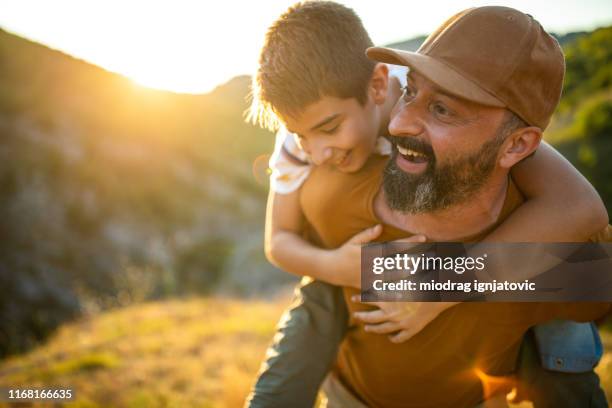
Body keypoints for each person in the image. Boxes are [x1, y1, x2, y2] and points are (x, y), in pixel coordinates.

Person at [246, 2, 610, 407]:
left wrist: (438, 285)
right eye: (413, 93)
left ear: (380, 86)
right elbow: (279, 239)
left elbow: (580, 209)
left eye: (441, 109)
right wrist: (337, 266)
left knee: (553, 304)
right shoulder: (306, 150)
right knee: (319, 297)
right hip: (353, 335)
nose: (315, 152)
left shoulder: (403, 97)